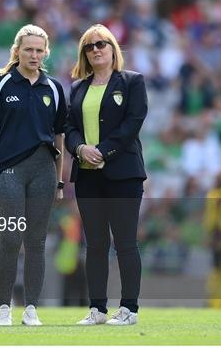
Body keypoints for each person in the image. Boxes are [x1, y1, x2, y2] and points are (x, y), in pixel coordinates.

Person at [0, 24, 67, 326]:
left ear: (46, 53)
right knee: (11, 239)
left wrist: (58, 181)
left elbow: (59, 139)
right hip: (8, 172)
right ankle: (4, 308)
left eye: (39, 50)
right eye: (28, 49)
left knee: (36, 242)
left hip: (43, 171)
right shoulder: (0, 83)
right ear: (17, 51)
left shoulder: (53, 88)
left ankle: (31, 309)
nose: (34, 54)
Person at [65, 24, 148, 325]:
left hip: (123, 173)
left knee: (125, 242)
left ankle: (129, 309)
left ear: (113, 48)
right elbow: (70, 128)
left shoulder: (132, 82)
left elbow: (133, 123)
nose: (96, 49)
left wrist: (101, 150)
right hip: (88, 176)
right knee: (95, 244)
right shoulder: (77, 88)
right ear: (84, 54)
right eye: (89, 46)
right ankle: (97, 308)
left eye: (101, 43)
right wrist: (80, 149)